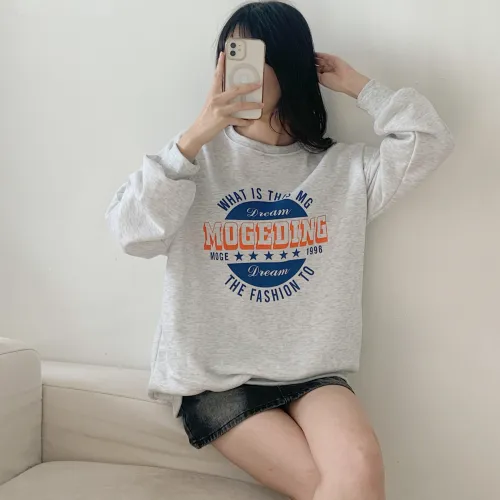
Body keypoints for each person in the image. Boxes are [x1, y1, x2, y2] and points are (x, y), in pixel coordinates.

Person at [106, 2, 454, 499]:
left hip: (311, 373)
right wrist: (197, 133)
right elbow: (132, 234)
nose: (240, 68)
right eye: (232, 53)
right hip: (214, 379)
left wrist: (359, 86)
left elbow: (428, 140)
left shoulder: (343, 171)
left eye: (254, 54)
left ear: (289, 64)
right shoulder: (190, 163)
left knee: (358, 463)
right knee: (329, 484)